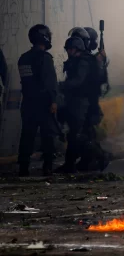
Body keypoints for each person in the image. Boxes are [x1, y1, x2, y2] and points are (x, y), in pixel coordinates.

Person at [17, 25, 59, 177]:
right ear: (44, 37)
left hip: (28, 103)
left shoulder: (23, 58)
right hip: (43, 103)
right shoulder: (45, 58)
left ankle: (23, 167)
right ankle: (47, 167)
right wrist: (53, 101)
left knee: (27, 135)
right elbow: (50, 82)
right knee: (48, 135)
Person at [56, 36, 98, 174]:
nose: (68, 51)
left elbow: (78, 80)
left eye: (70, 49)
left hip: (81, 103)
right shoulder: (77, 61)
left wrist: (62, 86)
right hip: (76, 102)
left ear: (77, 49)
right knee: (77, 134)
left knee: (76, 134)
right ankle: (78, 162)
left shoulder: (83, 62)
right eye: (67, 49)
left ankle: (74, 163)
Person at [76, 26, 110, 172]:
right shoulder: (86, 59)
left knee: (86, 133)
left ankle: (101, 157)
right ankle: (86, 160)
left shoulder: (92, 60)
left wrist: (100, 63)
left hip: (89, 102)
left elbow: (99, 80)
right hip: (82, 101)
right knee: (85, 132)